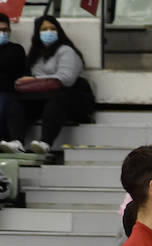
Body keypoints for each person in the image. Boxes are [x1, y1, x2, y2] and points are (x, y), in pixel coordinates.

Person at [1, 15, 94, 157]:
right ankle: (17, 142)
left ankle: (45, 143)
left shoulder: (66, 51)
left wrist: (34, 79)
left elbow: (66, 79)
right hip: (43, 98)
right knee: (16, 102)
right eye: (44, 29)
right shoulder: (35, 55)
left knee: (56, 98)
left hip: (71, 100)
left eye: (52, 29)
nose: (48, 32)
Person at [0, 14, 25, 152]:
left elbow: (13, 73)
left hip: (7, 92)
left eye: (5, 30)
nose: (2, 33)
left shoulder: (16, 49)